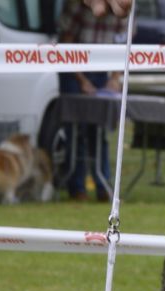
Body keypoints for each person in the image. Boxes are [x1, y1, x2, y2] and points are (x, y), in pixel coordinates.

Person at [60, 0, 129, 200]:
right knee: (76, 130)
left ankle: (103, 185)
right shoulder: (78, 7)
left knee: (99, 130)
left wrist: (115, 79)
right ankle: (77, 186)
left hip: (101, 70)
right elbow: (66, 42)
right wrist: (81, 80)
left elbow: (123, 46)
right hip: (74, 68)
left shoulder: (125, 10)